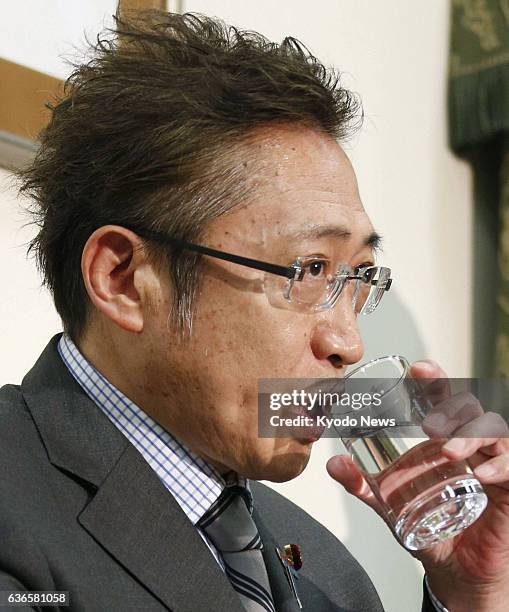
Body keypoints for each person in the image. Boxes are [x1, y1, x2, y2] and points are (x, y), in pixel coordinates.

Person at [1, 9, 509, 612]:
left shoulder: (328, 572)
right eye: (309, 269)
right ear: (124, 280)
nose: (349, 344)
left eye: (359, 278)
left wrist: (475, 593)